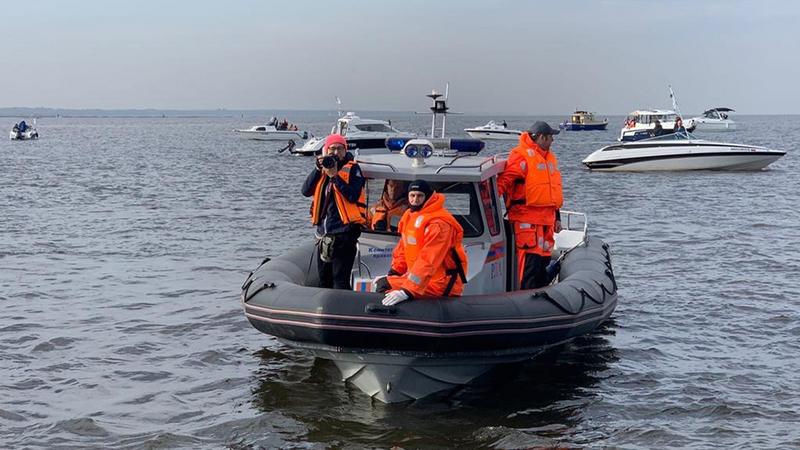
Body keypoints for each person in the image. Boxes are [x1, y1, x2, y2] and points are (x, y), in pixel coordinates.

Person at [374, 180, 468, 306]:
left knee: (386, 287)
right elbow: (403, 248)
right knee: (383, 283)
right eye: (412, 196)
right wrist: (394, 273)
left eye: (420, 196)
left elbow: (429, 259)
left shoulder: (439, 224)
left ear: (428, 197)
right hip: (422, 279)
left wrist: (408, 291)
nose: (415, 200)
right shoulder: (409, 216)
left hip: (441, 282)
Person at [497, 121, 563, 290]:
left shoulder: (549, 157)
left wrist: (557, 217)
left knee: (543, 261)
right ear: (541, 137)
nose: (552, 141)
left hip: (546, 221)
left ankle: (539, 298)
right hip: (527, 220)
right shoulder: (521, 157)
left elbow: (552, 191)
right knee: (529, 264)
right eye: (550, 137)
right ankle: (526, 298)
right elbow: (504, 182)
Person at [301, 134, 366, 290]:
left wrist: (335, 177)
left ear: (345, 150)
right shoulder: (323, 169)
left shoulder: (353, 169)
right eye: (332, 149)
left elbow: (352, 195)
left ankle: (344, 311)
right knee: (324, 279)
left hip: (344, 231)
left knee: (340, 280)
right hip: (325, 232)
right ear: (326, 150)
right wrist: (318, 169)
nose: (336, 153)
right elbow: (305, 191)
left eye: (339, 148)